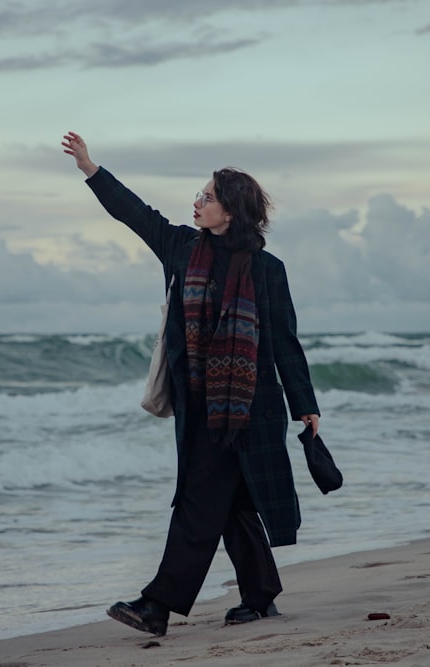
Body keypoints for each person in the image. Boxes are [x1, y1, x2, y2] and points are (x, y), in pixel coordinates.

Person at [62, 131, 320, 636]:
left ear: (232, 210)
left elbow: (284, 342)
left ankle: (157, 605)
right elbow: (135, 213)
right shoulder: (183, 248)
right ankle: (260, 596)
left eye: (207, 196)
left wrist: (304, 404)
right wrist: (92, 170)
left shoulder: (268, 270)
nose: (197, 202)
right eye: (199, 195)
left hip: (251, 406)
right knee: (232, 501)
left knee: (202, 501)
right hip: (201, 404)